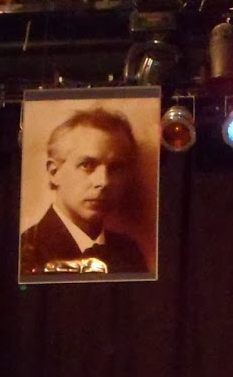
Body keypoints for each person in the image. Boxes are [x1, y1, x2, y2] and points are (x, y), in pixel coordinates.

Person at [19, 108, 150, 278]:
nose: (103, 181)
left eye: (115, 168)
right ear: (54, 172)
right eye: (87, 165)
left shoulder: (128, 252)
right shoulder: (26, 251)